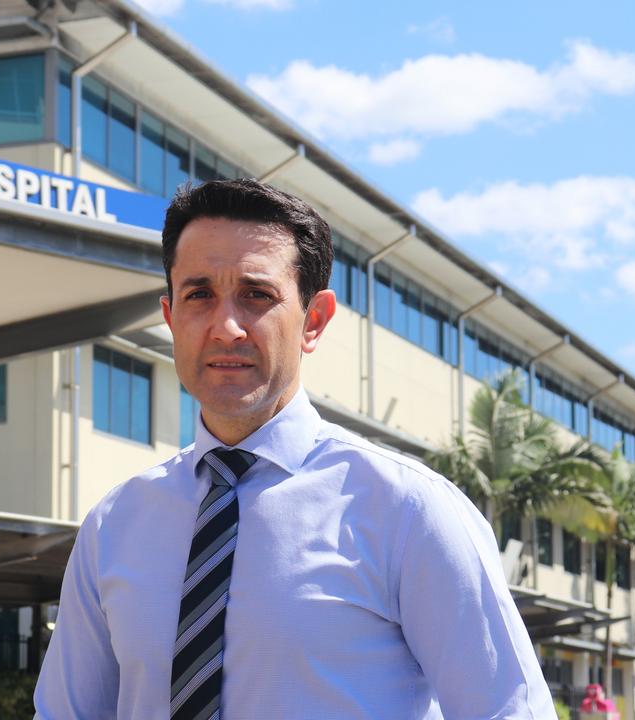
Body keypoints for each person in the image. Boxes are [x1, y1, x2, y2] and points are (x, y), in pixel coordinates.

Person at [33, 179, 555, 719]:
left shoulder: (407, 511)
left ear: (314, 320)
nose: (226, 326)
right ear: (170, 318)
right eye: (199, 295)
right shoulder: (114, 525)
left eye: (257, 295)